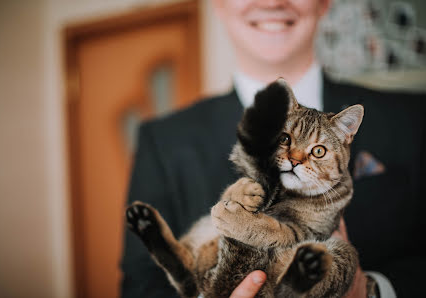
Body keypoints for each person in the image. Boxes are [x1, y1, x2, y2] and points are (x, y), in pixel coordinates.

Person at [121, 0, 426, 297]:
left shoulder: (411, 117)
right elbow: (140, 284)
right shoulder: (162, 139)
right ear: (218, 5)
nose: (273, 2)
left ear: (324, 3)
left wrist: (373, 291)